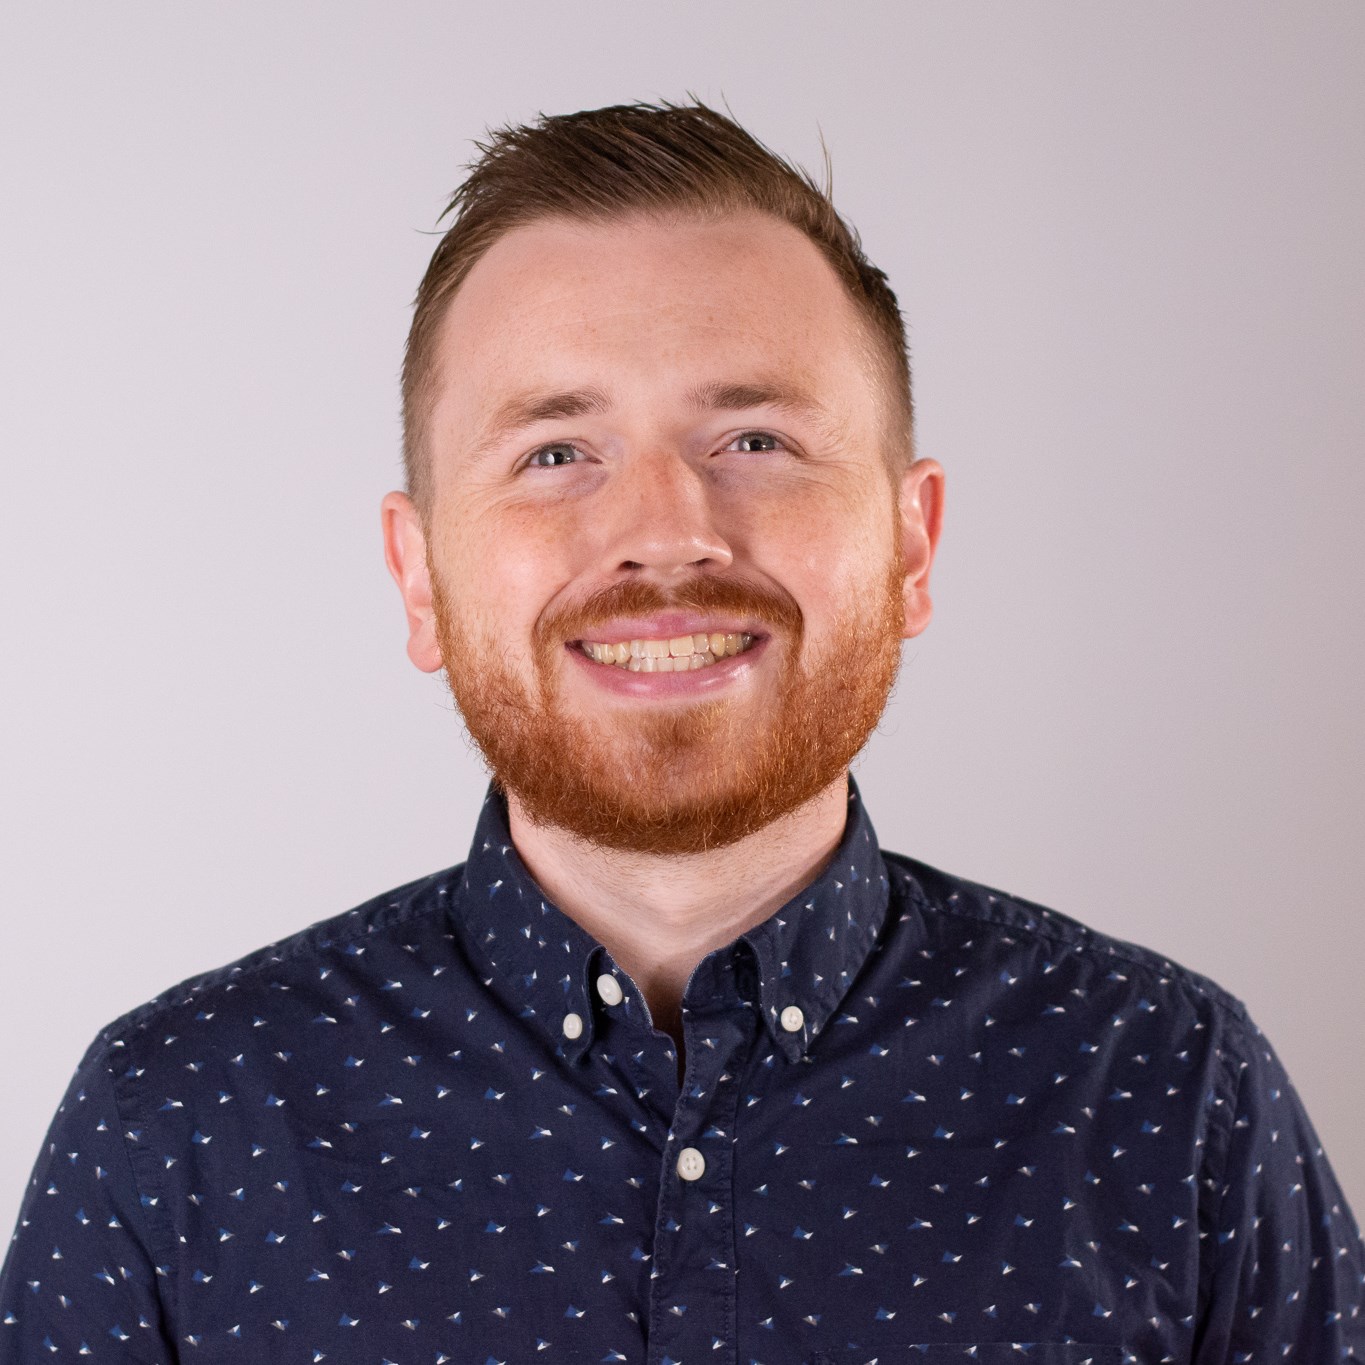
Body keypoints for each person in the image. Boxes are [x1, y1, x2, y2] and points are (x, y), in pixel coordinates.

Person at [2, 101, 1360, 1365]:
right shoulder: (173, 1123)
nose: (662, 532)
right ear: (419, 577)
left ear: (910, 546)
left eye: (754, 439)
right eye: (555, 453)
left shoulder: (1170, 1089)